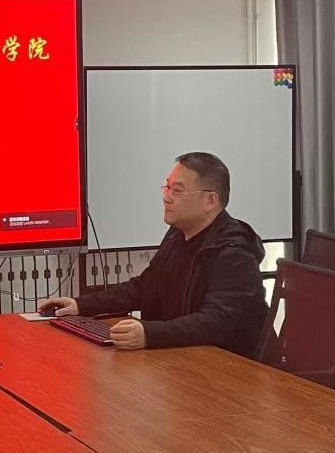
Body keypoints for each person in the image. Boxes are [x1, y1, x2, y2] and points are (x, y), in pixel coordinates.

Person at [40, 152, 267, 357]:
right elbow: (145, 286)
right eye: (166, 187)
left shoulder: (234, 253)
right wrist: (80, 305)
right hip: (182, 359)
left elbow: (215, 322)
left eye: (177, 190)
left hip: (228, 368)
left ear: (210, 200)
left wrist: (149, 334)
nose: (166, 197)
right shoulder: (178, 235)